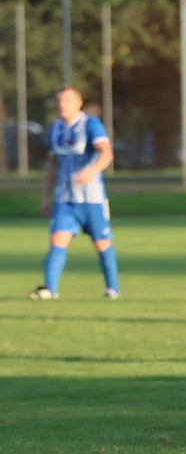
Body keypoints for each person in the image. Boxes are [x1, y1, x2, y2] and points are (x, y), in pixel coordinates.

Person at [29, 86, 119, 301]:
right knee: (57, 241)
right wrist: (45, 197)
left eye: (67, 101)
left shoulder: (90, 125)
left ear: (78, 103)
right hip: (64, 200)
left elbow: (106, 153)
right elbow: (52, 165)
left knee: (101, 243)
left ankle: (112, 289)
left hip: (91, 199)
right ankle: (50, 289)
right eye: (59, 101)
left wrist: (92, 170)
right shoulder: (55, 130)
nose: (62, 105)